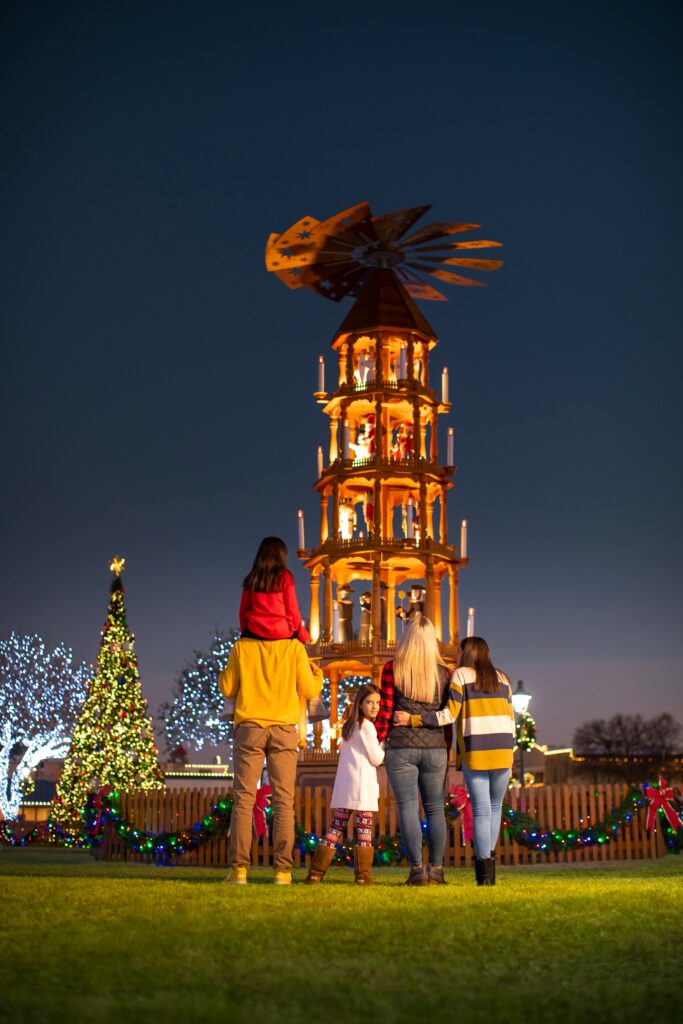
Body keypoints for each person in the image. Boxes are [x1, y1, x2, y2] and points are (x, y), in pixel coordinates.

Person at [394, 635, 514, 886]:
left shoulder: (461, 676)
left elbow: (449, 714)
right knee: (495, 809)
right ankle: (489, 871)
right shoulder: (503, 678)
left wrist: (413, 719)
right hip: (504, 749)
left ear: (465, 653)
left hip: (477, 747)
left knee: (481, 810)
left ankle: (484, 877)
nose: (456, 656)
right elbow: (512, 718)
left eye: (459, 652)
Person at [219, 632, 323, 885]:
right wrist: (318, 674)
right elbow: (310, 689)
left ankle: (239, 871)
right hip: (284, 729)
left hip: (250, 727)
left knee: (243, 800)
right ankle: (282, 872)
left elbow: (227, 687)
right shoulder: (294, 648)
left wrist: (225, 671)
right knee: (283, 803)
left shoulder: (241, 647)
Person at [375, 614, 451, 885]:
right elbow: (447, 715)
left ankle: (417, 870)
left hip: (401, 746)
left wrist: (376, 739)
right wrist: (446, 747)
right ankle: (438, 871)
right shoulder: (444, 673)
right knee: (435, 809)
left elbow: (384, 711)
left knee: (408, 807)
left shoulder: (392, 668)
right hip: (435, 748)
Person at [305, 683, 384, 886]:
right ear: (360, 704)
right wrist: (385, 744)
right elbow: (377, 758)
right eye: (369, 702)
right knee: (364, 831)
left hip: (347, 787)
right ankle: (362, 877)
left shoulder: (350, 725)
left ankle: (315, 874)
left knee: (335, 829)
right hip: (362, 787)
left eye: (377, 702)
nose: (374, 707)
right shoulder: (367, 726)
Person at [239, 536, 311, 643]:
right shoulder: (285, 577)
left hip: (254, 632)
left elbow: (242, 611)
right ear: (281, 556)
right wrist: (304, 636)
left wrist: (245, 634)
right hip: (281, 632)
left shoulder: (252, 578)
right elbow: (293, 610)